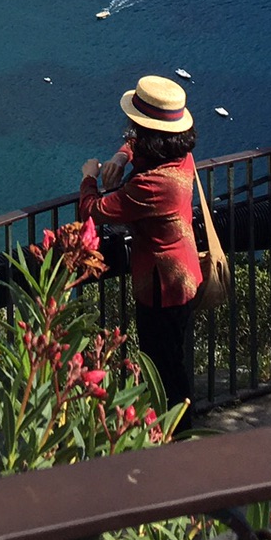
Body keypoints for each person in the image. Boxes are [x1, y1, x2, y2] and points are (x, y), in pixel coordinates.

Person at [78, 74, 201, 423]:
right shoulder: (180, 159)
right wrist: (122, 155)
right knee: (172, 358)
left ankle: (176, 436)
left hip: (162, 287)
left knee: (163, 369)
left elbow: (93, 211)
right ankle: (175, 430)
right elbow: (142, 147)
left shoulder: (152, 185)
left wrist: (89, 176)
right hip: (185, 274)